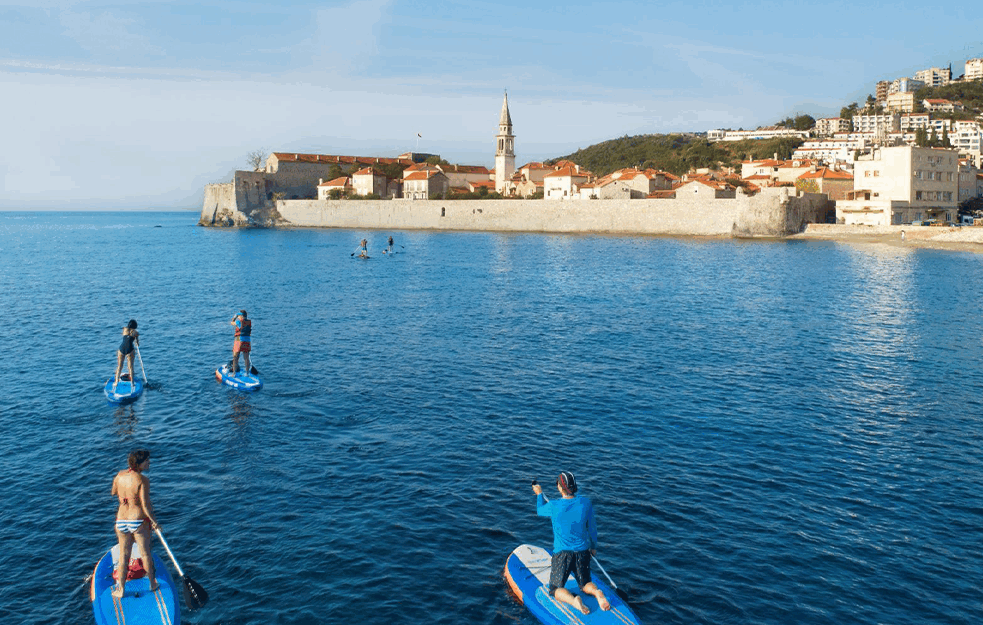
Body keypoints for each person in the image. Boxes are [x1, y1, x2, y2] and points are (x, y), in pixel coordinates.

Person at [532, 472, 610, 615]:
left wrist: (539, 494)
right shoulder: (586, 503)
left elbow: (539, 511)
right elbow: (592, 528)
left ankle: (574, 601)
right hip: (583, 552)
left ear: (560, 488)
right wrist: (593, 547)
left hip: (562, 555)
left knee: (555, 589)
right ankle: (597, 592)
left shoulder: (554, 506)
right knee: (585, 584)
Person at [111, 449, 160, 598]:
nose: (149, 463)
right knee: (145, 553)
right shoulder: (143, 480)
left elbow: (113, 492)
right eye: (146, 461)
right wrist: (154, 522)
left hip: (121, 520)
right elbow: (146, 506)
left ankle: (121, 590)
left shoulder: (119, 476)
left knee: (123, 555)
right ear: (138, 463)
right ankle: (152, 584)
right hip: (137, 520)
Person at [113, 320, 139, 392]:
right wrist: (136, 340)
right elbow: (137, 343)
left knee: (119, 366)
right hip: (130, 350)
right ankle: (132, 383)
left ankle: (116, 382)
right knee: (130, 366)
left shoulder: (124, 329)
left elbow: (126, 337)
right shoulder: (135, 333)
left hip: (121, 349)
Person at [230, 310, 252, 375]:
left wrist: (234, 317)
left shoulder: (238, 321)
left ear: (241, 316)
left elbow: (232, 323)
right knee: (246, 358)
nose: (238, 317)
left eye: (239, 316)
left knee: (235, 357)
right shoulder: (249, 322)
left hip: (239, 340)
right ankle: (247, 373)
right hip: (247, 341)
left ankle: (233, 373)